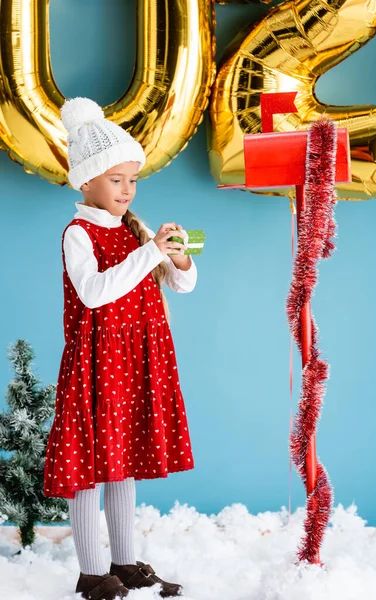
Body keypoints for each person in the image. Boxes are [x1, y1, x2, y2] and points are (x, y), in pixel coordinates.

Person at [43, 97, 197, 599]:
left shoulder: (137, 230)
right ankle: (92, 572)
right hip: (97, 363)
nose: (127, 189)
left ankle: (124, 563)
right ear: (86, 181)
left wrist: (179, 258)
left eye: (132, 180)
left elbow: (181, 286)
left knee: (123, 460)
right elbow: (94, 292)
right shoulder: (78, 233)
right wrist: (150, 251)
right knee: (91, 464)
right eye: (116, 180)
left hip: (138, 362)